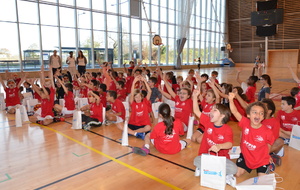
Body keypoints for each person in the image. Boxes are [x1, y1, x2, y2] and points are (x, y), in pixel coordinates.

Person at [192, 89, 237, 187]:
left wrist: (220, 146)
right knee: (196, 160)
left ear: (222, 116)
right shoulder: (208, 122)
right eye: (211, 109)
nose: (211, 111)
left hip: (221, 159)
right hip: (206, 156)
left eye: (214, 110)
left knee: (234, 169)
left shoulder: (227, 129)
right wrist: (195, 97)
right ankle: (218, 172)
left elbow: (229, 144)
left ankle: (215, 172)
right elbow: (196, 110)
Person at [228, 92, 275, 177]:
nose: (258, 115)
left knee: (262, 180)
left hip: (261, 160)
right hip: (246, 156)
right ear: (248, 115)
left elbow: (268, 144)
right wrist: (231, 100)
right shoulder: (245, 123)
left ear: (263, 117)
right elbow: (234, 112)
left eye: (261, 113)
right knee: (237, 174)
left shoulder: (267, 132)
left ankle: (273, 160)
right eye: (255, 112)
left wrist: (267, 156)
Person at [126, 75, 152, 140]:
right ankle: (137, 133)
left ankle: (134, 133)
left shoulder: (145, 101)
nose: (138, 98)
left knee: (148, 127)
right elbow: (131, 93)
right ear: (134, 98)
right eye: (136, 97)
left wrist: (145, 81)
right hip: (133, 124)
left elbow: (150, 92)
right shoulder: (133, 103)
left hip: (143, 124)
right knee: (123, 126)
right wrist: (134, 82)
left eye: (139, 97)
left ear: (142, 97)